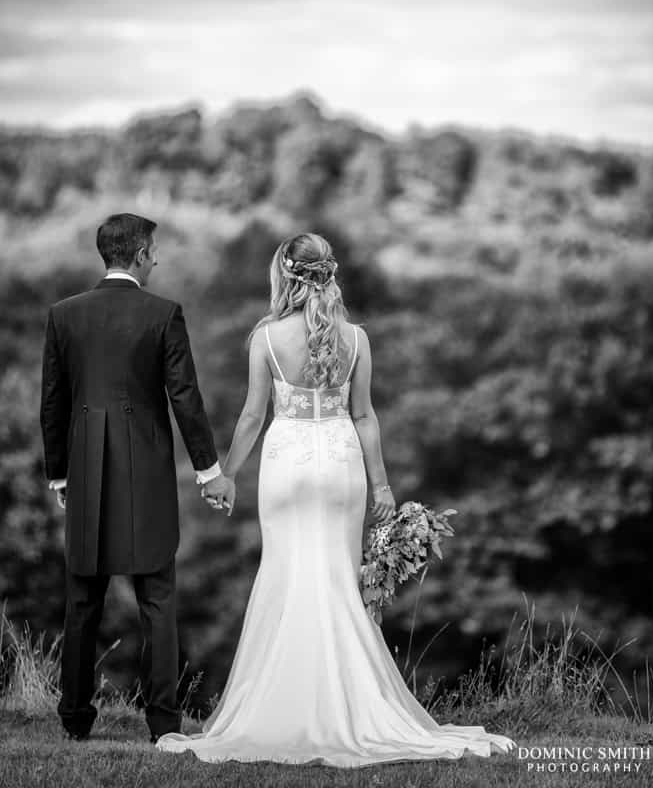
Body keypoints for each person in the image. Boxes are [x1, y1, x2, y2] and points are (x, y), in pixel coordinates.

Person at [156, 232, 516, 766]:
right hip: (343, 465)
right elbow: (366, 416)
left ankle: (287, 707)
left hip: (288, 463)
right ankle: (351, 706)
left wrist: (225, 475)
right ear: (328, 274)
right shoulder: (357, 339)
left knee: (286, 576)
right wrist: (384, 487)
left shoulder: (267, 338)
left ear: (286, 273)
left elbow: (254, 416)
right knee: (338, 584)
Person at [40, 213, 229, 743]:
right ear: (141, 253)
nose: (159, 258)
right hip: (145, 474)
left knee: (82, 601)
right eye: (156, 250)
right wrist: (209, 470)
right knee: (158, 602)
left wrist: (58, 473)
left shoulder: (63, 315)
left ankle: (75, 719)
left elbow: (51, 401)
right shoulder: (164, 314)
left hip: (83, 470)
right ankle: (163, 724)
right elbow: (185, 399)